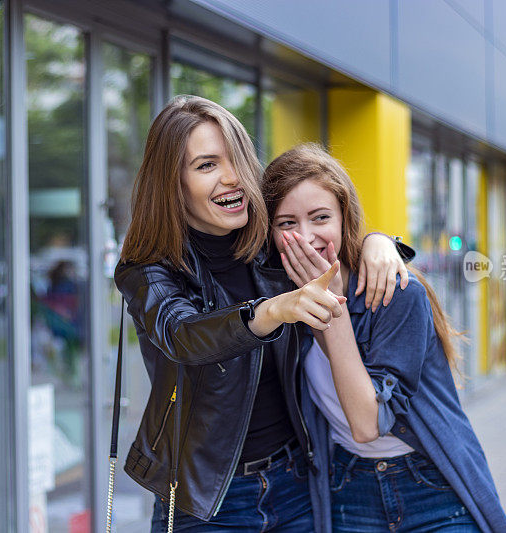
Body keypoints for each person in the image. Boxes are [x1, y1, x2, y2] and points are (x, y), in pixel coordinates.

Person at [113, 96, 411, 532]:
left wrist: (379, 242)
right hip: (207, 500)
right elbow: (184, 335)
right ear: (172, 184)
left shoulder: (270, 244)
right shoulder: (148, 271)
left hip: (293, 484)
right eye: (206, 165)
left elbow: (330, 234)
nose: (231, 178)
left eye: (235, 158)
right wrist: (271, 311)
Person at [263, 144, 506, 533]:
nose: (306, 237)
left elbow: (367, 424)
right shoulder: (276, 306)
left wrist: (336, 312)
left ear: (346, 219)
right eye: (287, 224)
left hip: (430, 486)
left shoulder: (396, 293)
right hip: (350, 489)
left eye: (320, 217)